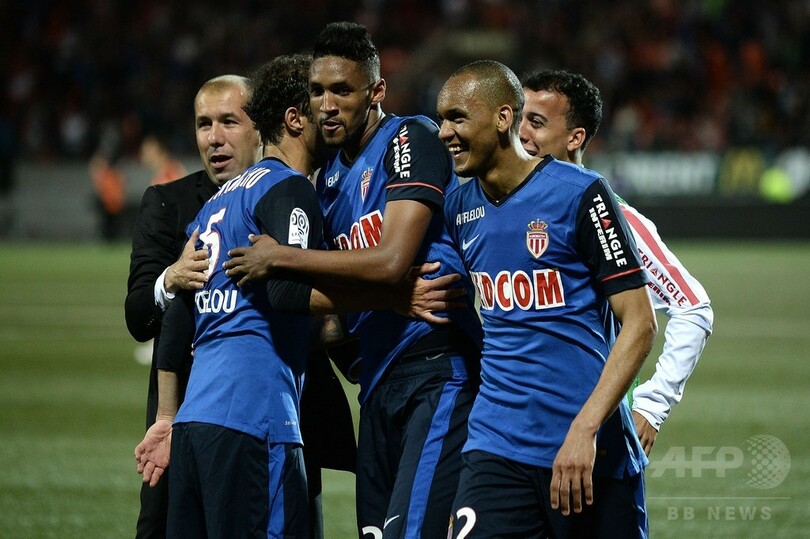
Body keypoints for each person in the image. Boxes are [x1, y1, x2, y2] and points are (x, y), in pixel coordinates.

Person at [223, 22, 483, 539]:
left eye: (342, 90)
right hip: (377, 383)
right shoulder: (323, 184)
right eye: (318, 91)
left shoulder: (408, 138)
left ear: (376, 91)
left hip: (436, 368)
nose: (327, 105)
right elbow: (338, 312)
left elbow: (391, 262)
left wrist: (282, 257)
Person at [436, 60, 657, 537]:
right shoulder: (459, 206)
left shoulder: (581, 194)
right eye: (441, 119)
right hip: (495, 446)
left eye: (457, 118)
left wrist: (585, 429)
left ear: (502, 118)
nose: (444, 132)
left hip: (587, 448)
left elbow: (640, 323)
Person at [135, 53, 333, 538]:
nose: (332, 121)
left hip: (192, 424)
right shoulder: (288, 188)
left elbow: (178, 316)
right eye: (320, 109)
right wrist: (386, 294)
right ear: (296, 119)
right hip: (255, 418)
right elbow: (287, 293)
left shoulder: (213, 207)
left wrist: (166, 417)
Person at [518, 69, 714, 456]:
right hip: (516, 423)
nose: (521, 133)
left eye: (536, 123)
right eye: (519, 119)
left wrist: (652, 405)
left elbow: (693, 307)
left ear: (575, 138)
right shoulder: (503, 205)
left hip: (591, 430)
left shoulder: (611, 216)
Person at [124, 74, 263, 538]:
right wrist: (171, 278)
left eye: (229, 121)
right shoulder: (168, 203)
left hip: (268, 420)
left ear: (259, 127)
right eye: (204, 124)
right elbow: (137, 316)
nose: (214, 137)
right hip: (179, 422)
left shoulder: (287, 198)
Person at [89, 150, 127, 242]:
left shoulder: (110, 175)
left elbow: (114, 191)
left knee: (112, 226)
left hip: (112, 205)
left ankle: (111, 239)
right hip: (110, 205)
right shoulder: (109, 175)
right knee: (109, 226)